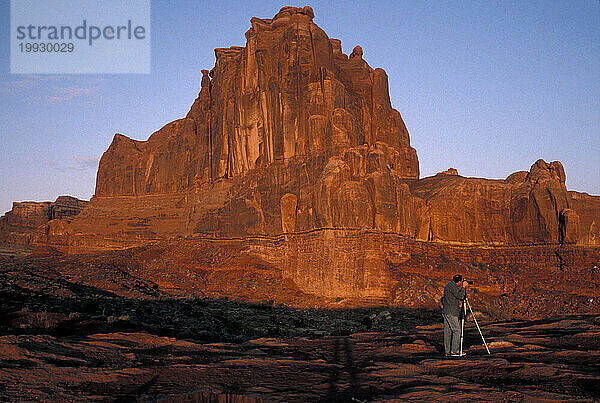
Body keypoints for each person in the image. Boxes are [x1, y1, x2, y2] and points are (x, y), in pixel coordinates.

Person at [441, 274, 469, 356]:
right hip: (451, 312)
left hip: (446, 311)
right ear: (460, 281)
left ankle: (447, 351)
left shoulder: (448, 285)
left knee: (448, 332)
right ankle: (455, 351)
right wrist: (463, 287)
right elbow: (460, 296)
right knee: (457, 331)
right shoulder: (453, 286)